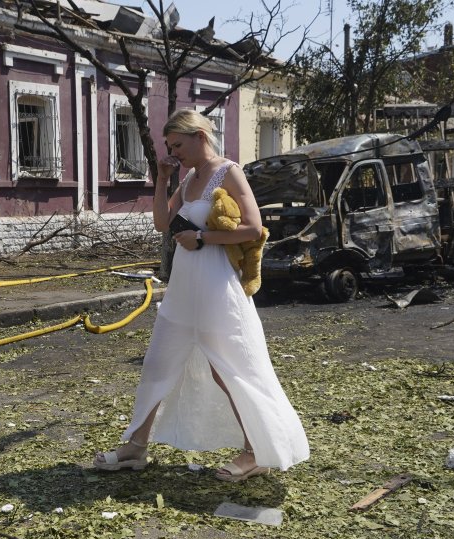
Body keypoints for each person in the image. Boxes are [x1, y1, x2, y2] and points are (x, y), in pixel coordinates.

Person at [93, 109, 309, 481]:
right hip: (183, 287)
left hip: (216, 287)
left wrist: (202, 237)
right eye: (170, 147)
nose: (174, 153)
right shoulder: (189, 178)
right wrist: (162, 180)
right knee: (157, 363)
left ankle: (255, 452)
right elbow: (162, 223)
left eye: (178, 145)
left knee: (230, 370)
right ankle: (136, 447)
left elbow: (254, 228)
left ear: (200, 136)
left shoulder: (229, 171)